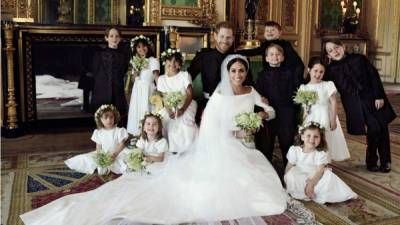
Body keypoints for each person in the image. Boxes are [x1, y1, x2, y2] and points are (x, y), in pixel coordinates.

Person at [20, 54, 287, 225]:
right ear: (227, 74)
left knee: (264, 188)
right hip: (226, 144)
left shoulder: (252, 91)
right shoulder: (218, 97)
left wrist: (262, 114)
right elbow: (209, 127)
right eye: (234, 71)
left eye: (242, 71)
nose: (238, 75)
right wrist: (234, 132)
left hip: (247, 144)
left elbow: (270, 111)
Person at [324, 39, 396, 173]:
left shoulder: (359, 59)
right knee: (374, 127)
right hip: (354, 104)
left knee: (382, 126)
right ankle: (372, 159)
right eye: (330, 51)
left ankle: (385, 161)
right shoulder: (330, 70)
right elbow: (321, 83)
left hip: (373, 97)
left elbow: (373, 76)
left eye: (337, 47)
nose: (335, 51)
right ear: (328, 56)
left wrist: (379, 95)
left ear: (343, 46)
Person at [188, 21, 253, 122]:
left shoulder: (240, 58)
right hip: (209, 103)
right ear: (215, 36)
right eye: (222, 36)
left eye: (228, 37)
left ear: (233, 38)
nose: (225, 40)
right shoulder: (203, 56)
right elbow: (188, 77)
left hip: (235, 104)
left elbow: (249, 83)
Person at [284, 122, 357, 204]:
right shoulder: (295, 150)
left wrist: (312, 183)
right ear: (302, 137)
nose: (312, 139)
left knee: (328, 176)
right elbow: (289, 166)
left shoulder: (320, 153)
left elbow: (319, 171)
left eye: (316, 137)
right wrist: (286, 180)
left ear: (321, 139)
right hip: (299, 172)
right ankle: (301, 192)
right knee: (291, 175)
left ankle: (312, 190)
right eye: (308, 135)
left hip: (315, 174)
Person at [255, 44, 301, 166]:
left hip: (286, 111)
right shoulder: (262, 75)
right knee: (266, 144)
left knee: (286, 142)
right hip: (269, 112)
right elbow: (258, 93)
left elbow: (295, 92)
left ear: (282, 57)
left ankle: (288, 169)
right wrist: (261, 99)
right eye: (271, 54)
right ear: (266, 58)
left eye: (278, 54)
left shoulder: (290, 73)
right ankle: (267, 170)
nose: (275, 56)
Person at [298, 57, 350, 161]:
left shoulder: (327, 85)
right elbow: (303, 107)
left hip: (325, 116)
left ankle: (324, 163)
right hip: (311, 117)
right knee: (311, 139)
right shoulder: (304, 87)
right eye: (315, 71)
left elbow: (334, 102)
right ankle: (312, 161)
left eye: (321, 72)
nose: (318, 74)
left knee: (325, 139)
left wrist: (333, 120)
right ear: (309, 70)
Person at [65, 104, 131, 175]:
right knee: (87, 159)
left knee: (123, 161)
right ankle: (101, 167)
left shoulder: (119, 131)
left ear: (115, 118)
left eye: (111, 117)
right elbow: (98, 147)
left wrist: (114, 155)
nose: (109, 120)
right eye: (105, 118)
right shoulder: (99, 132)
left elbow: (121, 145)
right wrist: (100, 157)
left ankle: (112, 167)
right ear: (100, 119)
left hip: (117, 153)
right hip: (105, 153)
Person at [237, 21, 305, 84]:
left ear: (279, 33)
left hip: (284, 76)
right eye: (267, 31)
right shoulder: (264, 45)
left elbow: (296, 61)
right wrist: (236, 52)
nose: (269, 32)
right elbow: (252, 52)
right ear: (264, 34)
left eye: (272, 30)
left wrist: (294, 77)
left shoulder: (285, 44)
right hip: (269, 76)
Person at [157, 48, 198, 153]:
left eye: (175, 61)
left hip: (186, 104)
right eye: (169, 61)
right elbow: (165, 98)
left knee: (185, 124)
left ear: (180, 64)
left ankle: (188, 148)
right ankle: (171, 149)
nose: (172, 64)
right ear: (165, 63)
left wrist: (183, 109)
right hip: (169, 106)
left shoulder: (185, 75)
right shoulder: (161, 79)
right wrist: (169, 110)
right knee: (167, 121)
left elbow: (189, 94)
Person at [91, 27, 130, 125]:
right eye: (111, 36)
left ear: (120, 39)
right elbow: (95, 73)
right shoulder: (99, 55)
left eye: (117, 36)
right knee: (102, 118)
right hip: (102, 91)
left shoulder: (123, 56)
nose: (114, 38)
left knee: (118, 117)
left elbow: (124, 72)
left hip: (117, 90)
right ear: (106, 38)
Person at [126, 35, 160, 135]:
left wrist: (159, 91)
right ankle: (136, 134)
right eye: (139, 47)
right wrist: (135, 73)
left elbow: (157, 78)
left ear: (148, 47)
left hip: (147, 90)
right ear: (135, 49)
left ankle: (147, 134)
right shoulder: (134, 61)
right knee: (136, 111)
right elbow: (133, 79)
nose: (142, 49)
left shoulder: (153, 60)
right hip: (137, 90)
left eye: (144, 46)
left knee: (146, 110)